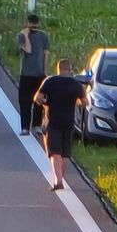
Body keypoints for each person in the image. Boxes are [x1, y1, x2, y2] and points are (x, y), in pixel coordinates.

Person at [35, 59, 86, 191]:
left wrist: (46, 103)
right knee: (64, 153)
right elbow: (85, 102)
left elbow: (38, 98)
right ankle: (60, 178)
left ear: (58, 69)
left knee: (54, 152)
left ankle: (58, 181)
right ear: (70, 69)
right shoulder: (76, 84)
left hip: (53, 120)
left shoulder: (50, 81)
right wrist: (75, 103)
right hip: (69, 122)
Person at [17, 14, 48, 135]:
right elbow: (28, 50)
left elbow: (45, 54)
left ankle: (37, 125)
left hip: (38, 74)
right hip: (26, 73)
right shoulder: (21, 36)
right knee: (25, 101)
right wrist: (25, 35)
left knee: (39, 101)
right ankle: (25, 127)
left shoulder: (43, 36)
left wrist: (44, 70)